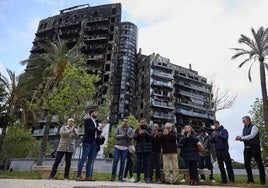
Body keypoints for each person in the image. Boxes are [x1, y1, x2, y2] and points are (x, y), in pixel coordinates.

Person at [235, 116, 266, 185]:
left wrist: (242, 138)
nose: (242, 122)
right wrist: (239, 138)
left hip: (255, 148)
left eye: (244, 120)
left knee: (259, 163)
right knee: (246, 164)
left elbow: (252, 136)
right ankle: (250, 179)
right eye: (242, 120)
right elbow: (243, 136)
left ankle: (262, 180)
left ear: (248, 120)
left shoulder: (254, 127)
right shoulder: (244, 128)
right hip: (247, 148)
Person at [76, 109, 104, 181]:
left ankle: (88, 176)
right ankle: (78, 175)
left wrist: (100, 130)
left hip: (94, 142)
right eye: (95, 112)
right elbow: (88, 130)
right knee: (84, 158)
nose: (97, 114)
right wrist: (97, 128)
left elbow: (96, 132)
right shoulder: (87, 120)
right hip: (87, 141)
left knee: (90, 160)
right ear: (91, 113)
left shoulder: (96, 122)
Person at [110, 117, 133, 182]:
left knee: (123, 163)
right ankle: (113, 176)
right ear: (122, 121)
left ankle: (120, 177)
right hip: (117, 147)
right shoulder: (118, 128)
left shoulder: (130, 129)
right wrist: (123, 135)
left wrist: (126, 135)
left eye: (126, 121)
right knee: (115, 161)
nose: (125, 122)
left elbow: (131, 138)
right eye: (124, 121)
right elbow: (115, 136)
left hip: (125, 148)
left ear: (128, 122)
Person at [133, 118, 153, 183]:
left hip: (147, 150)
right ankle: (138, 178)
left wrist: (145, 133)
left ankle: (146, 178)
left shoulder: (149, 129)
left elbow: (151, 137)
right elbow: (135, 137)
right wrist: (139, 133)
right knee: (138, 164)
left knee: (146, 164)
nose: (142, 123)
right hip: (139, 150)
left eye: (143, 122)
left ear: (146, 122)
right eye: (141, 122)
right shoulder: (138, 129)